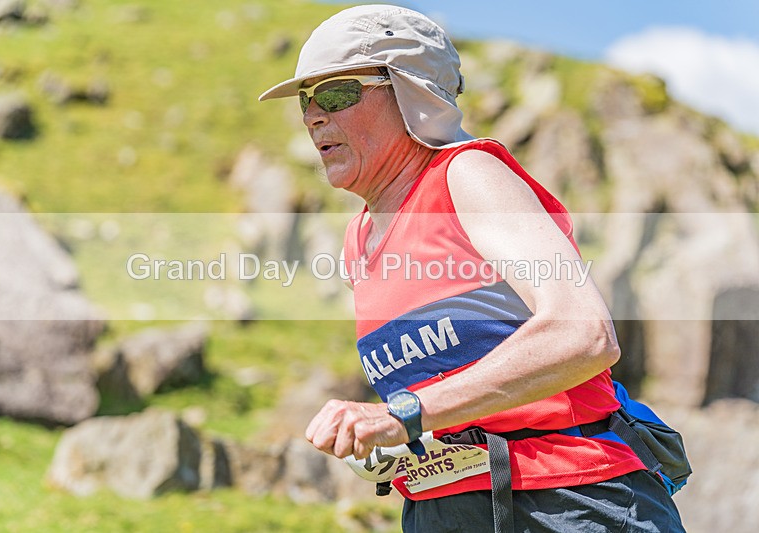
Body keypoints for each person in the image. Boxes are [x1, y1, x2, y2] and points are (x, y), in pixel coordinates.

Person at [259, 5, 685, 532]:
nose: (312, 116)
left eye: (336, 94)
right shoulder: (360, 237)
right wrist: (393, 443)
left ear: (408, 92)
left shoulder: (469, 174)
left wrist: (402, 415)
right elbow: (449, 393)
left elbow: (585, 334)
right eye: (306, 101)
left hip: (568, 499)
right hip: (439, 512)